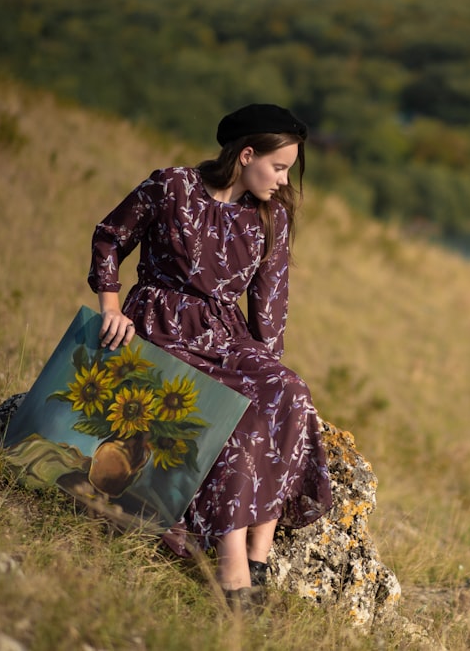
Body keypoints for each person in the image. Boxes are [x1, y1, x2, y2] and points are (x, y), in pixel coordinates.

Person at [87, 103, 333, 608]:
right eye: (279, 167)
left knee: (288, 392)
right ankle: (230, 566)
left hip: (225, 335)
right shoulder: (172, 186)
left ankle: (257, 559)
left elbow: (271, 305)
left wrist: (269, 374)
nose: (285, 181)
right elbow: (111, 237)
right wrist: (110, 308)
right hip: (161, 326)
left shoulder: (271, 216)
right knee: (235, 415)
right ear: (246, 155)